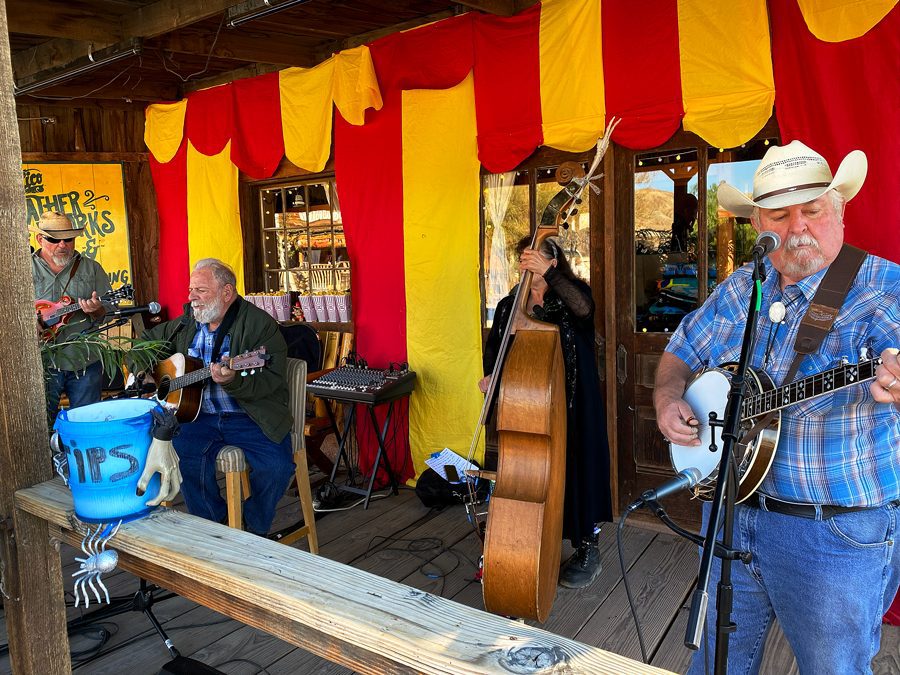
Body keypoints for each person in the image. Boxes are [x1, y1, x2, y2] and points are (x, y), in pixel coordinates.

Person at [653, 140, 900, 674]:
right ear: (757, 222)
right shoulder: (742, 289)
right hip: (730, 513)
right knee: (717, 663)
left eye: (811, 211)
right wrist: (668, 396)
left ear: (838, 211)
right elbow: (680, 350)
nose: (797, 228)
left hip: (832, 536)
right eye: (779, 215)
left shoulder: (885, 288)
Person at [480, 236, 613, 588]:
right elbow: (496, 349)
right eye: (524, 259)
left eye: (536, 258)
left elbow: (584, 310)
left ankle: (587, 547)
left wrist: (551, 276)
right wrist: (491, 377)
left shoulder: (571, 295)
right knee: (533, 472)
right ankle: (535, 538)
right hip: (529, 406)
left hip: (574, 402)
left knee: (579, 471)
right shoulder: (512, 305)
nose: (529, 266)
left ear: (554, 262)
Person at [141, 258, 295, 537]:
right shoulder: (187, 322)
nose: (191, 297)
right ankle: (215, 526)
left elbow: (271, 381)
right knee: (183, 456)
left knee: (277, 467)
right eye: (190, 290)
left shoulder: (260, 325)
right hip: (198, 416)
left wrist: (233, 381)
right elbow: (144, 343)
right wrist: (144, 370)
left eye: (200, 290)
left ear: (227, 292)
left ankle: (252, 527)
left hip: (250, 416)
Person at [31, 210, 112, 422]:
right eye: (54, 239)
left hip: (84, 360)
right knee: (40, 424)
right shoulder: (22, 269)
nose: (62, 244)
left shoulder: (91, 268)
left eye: (68, 239)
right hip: (40, 360)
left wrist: (98, 310)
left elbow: (110, 308)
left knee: (87, 424)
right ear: (40, 239)